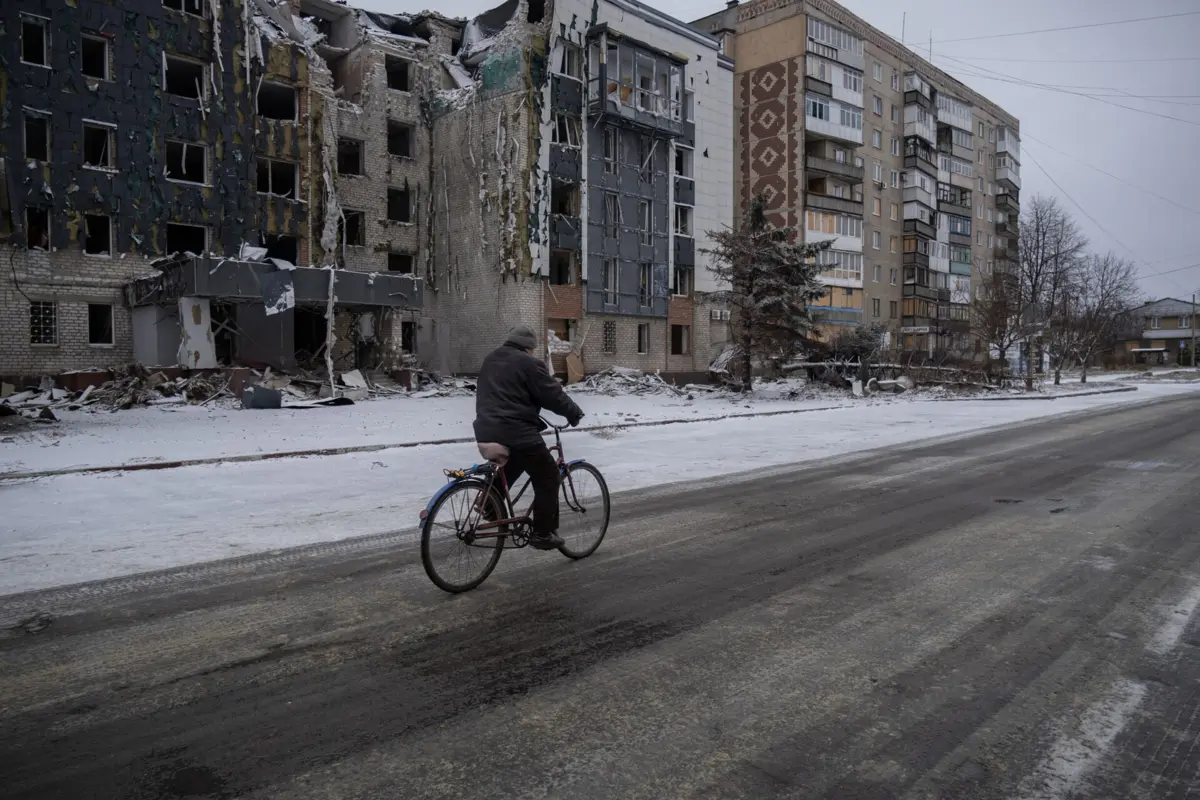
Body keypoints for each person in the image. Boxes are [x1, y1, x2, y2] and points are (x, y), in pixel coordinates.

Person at [474, 325, 584, 550]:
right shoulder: (529, 364)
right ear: (529, 347)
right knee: (548, 476)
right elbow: (551, 394)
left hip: (485, 430)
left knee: (515, 462)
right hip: (516, 431)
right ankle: (542, 534)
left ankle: (489, 505)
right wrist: (573, 412)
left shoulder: (491, 359)